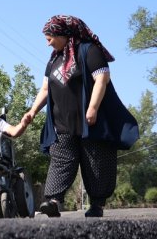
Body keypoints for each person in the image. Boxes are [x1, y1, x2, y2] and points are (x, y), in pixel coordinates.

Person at [23, 15, 139, 218]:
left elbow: (102, 79)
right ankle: (53, 202)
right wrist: (32, 111)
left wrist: (93, 107)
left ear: (64, 33)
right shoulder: (54, 59)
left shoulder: (89, 50)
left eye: (50, 36)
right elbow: (45, 89)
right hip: (62, 123)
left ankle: (96, 205)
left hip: (90, 122)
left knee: (96, 162)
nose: (47, 41)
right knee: (60, 159)